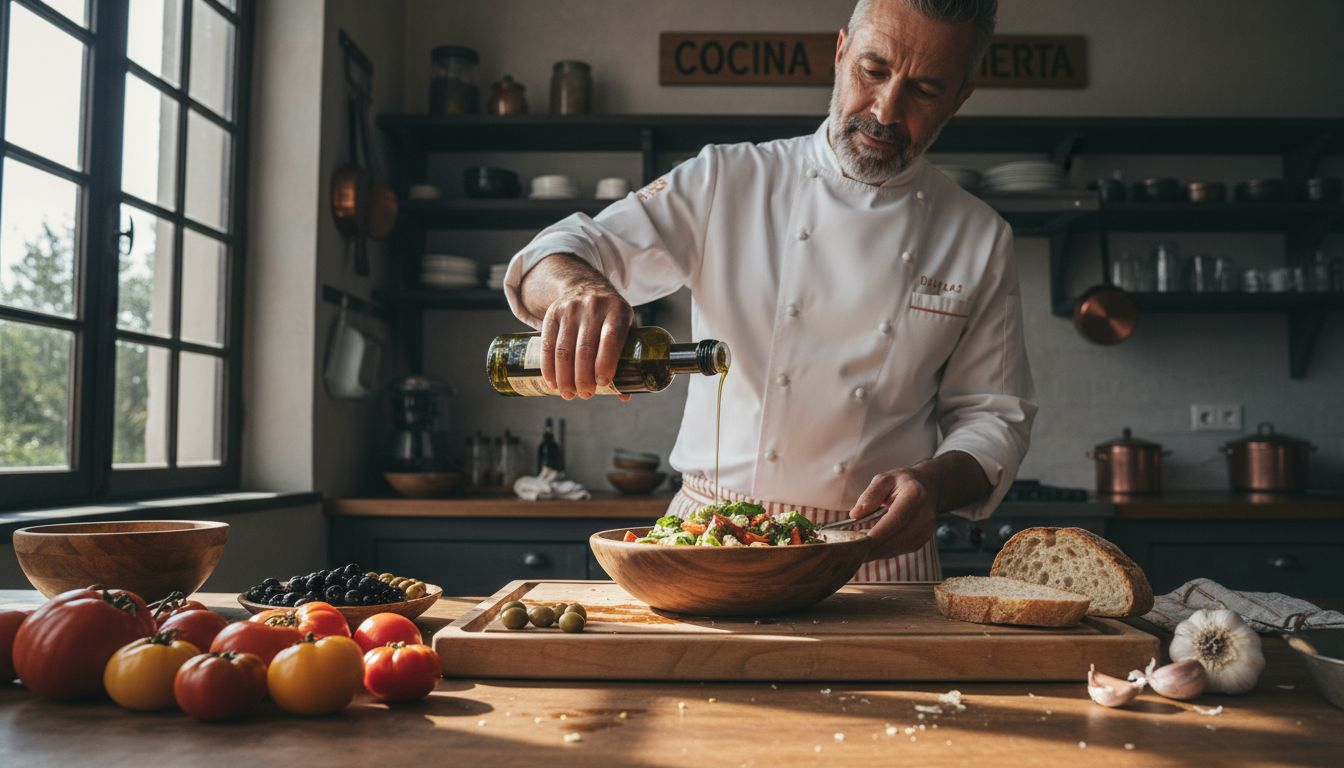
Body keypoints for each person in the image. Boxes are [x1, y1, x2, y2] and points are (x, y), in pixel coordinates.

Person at [503, 0, 1035, 580]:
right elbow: (558, 252)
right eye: (873, 70)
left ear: (959, 97)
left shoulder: (978, 236)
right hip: (713, 540)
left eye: (925, 90)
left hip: (872, 549)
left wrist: (934, 483)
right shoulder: (725, 180)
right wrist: (577, 290)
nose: (886, 109)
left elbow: (994, 416)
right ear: (841, 53)